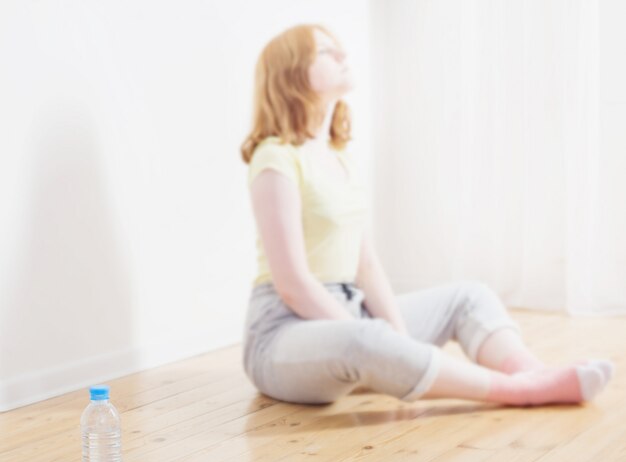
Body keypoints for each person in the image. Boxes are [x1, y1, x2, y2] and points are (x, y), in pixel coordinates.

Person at [239, 23, 613, 406]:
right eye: (323, 51)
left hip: (348, 310)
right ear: (291, 74)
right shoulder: (275, 158)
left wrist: (397, 346)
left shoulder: (340, 160)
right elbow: (292, 284)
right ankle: (519, 391)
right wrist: (382, 346)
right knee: (368, 338)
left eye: (338, 49)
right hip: (282, 332)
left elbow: (365, 265)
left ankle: (533, 372)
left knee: (469, 297)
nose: (342, 55)